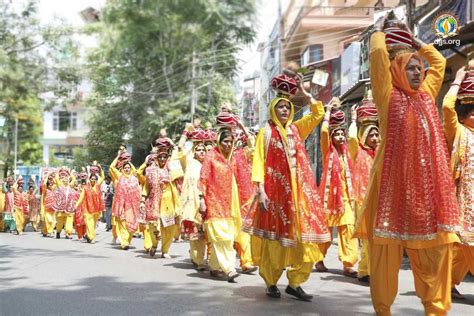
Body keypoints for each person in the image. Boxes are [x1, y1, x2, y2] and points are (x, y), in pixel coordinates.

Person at [365, 15, 460, 315]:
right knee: (383, 262)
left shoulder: (427, 97)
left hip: (427, 200)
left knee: (438, 255)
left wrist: (415, 41)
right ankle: (383, 310)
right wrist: (380, 31)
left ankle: (436, 310)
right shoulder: (387, 97)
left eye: (420, 68)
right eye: (410, 68)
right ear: (396, 70)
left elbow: (440, 65)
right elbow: (379, 55)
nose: (418, 73)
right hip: (390, 199)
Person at [243, 73, 330, 300]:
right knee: (275, 244)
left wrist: (308, 95)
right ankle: (271, 282)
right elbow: (259, 162)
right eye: (280, 107)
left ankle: (295, 282)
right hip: (275, 197)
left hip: (299, 199)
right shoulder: (266, 133)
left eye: (287, 107)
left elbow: (318, 114)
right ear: (273, 108)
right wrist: (260, 191)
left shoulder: (296, 130)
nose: (284, 110)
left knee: (307, 245)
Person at [199, 127, 256, 282]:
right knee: (220, 236)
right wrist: (201, 199)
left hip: (231, 204)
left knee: (228, 237)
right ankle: (230, 268)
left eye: (231, 142)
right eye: (225, 141)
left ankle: (215, 266)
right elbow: (203, 178)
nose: (228, 144)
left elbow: (252, 148)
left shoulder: (233, 158)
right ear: (219, 141)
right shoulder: (211, 156)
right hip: (214, 201)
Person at [316, 101, 359, 278]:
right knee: (325, 231)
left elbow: (354, 139)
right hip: (328, 198)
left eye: (342, 133)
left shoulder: (348, 152)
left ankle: (348, 264)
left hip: (345, 199)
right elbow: (324, 132)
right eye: (338, 134)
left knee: (348, 228)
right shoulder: (327, 151)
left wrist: (354, 119)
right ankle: (318, 258)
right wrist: (327, 112)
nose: (341, 137)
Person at [442, 65, 474, 299]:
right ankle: (445, 283)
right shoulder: (457, 131)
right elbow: (446, 106)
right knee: (462, 245)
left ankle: (447, 283)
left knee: (463, 249)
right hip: (462, 199)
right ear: (462, 115)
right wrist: (458, 80)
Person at [348, 92, 380, 284]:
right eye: (371, 134)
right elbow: (352, 137)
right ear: (363, 136)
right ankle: (364, 270)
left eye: (377, 133)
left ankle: (373, 269)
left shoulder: (381, 151)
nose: (375, 137)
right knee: (369, 237)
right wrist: (353, 120)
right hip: (363, 200)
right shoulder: (357, 150)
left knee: (377, 237)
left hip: (380, 199)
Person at [140, 138, 181, 258]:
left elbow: (180, 181)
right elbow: (147, 186)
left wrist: (169, 180)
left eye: (165, 157)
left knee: (169, 227)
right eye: (160, 157)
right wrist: (142, 200)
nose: (162, 159)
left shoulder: (173, 168)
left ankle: (165, 250)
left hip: (169, 202)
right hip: (154, 202)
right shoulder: (150, 170)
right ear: (156, 157)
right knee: (153, 226)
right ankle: (154, 244)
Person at [180, 137, 208, 270]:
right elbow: (181, 148)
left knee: (207, 234)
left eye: (204, 150)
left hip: (207, 203)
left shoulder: (209, 165)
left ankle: (200, 257)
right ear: (194, 152)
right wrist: (187, 134)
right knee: (196, 234)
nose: (202, 152)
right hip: (192, 204)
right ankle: (199, 261)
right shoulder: (190, 163)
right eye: (199, 150)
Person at [109, 148, 141, 250]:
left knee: (130, 225)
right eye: (125, 168)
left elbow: (136, 171)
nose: (127, 169)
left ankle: (127, 240)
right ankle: (124, 243)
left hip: (132, 207)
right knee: (122, 223)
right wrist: (119, 156)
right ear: (123, 169)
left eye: (128, 167)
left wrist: (128, 161)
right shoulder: (119, 176)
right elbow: (111, 167)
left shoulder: (134, 178)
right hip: (121, 206)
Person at [76, 167, 105, 244]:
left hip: (96, 210)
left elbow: (102, 177)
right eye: (92, 179)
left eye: (94, 179)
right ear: (89, 179)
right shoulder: (85, 188)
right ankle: (92, 238)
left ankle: (88, 235)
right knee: (89, 224)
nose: (93, 180)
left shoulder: (98, 186)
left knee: (93, 225)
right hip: (87, 210)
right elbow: (81, 198)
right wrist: (76, 206)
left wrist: (100, 169)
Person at [53, 168, 76, 239]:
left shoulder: (70, 186)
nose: (66, 181)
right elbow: (56, 179)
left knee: (69, 221)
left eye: (67, 180)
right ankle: (58, 232)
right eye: (64, 180)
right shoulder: (60, 186)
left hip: (69, 208)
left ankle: (67, 234)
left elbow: (74, 180)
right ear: (62, 181)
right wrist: (58, 171)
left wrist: (70, 174)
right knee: (60, 222)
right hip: (61, 209)